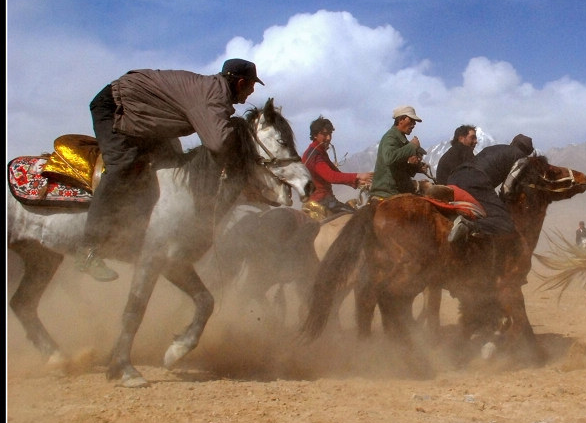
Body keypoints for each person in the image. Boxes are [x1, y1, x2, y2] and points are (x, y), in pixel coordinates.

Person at [76, 58, 264, 282]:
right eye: (251, 86)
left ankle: (140, 234)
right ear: (241, 82)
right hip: (116, 109)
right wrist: (245, 138)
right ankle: (88, 250)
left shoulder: (213, 92)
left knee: (172, 168)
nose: (251, 92)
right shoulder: (214, 95)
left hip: (145, 119)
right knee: (122, 166)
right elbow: (218, 143)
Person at [447, 134, 535, 243]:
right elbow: (507, 189)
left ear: (512, 143)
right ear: (528, 152)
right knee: (506, 223)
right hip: (476, 181)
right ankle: (468, 225)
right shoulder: (522, 159)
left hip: (454, 177)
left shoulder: (494, 148)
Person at [301, 116, 373, 219]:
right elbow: (331, 176)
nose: (329, 138)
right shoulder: (315, 155)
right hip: (322, 200)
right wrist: (357, 175)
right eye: (324, 134)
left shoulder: (318, 151)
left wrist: (357, 182)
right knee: (356, 219)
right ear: (315, 135)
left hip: (323, 199)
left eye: (330, 134)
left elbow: (335, 172)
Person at [368, 105, 427, 201]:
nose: (413, 124)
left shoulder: (400, 139)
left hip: (398, 192)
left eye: (414, 122)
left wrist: (415, 166)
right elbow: (389, 158)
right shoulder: (390, 137)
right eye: (411, 120)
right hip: (387, 193)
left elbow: (398, 168)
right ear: (401, 120)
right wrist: (412, 146)